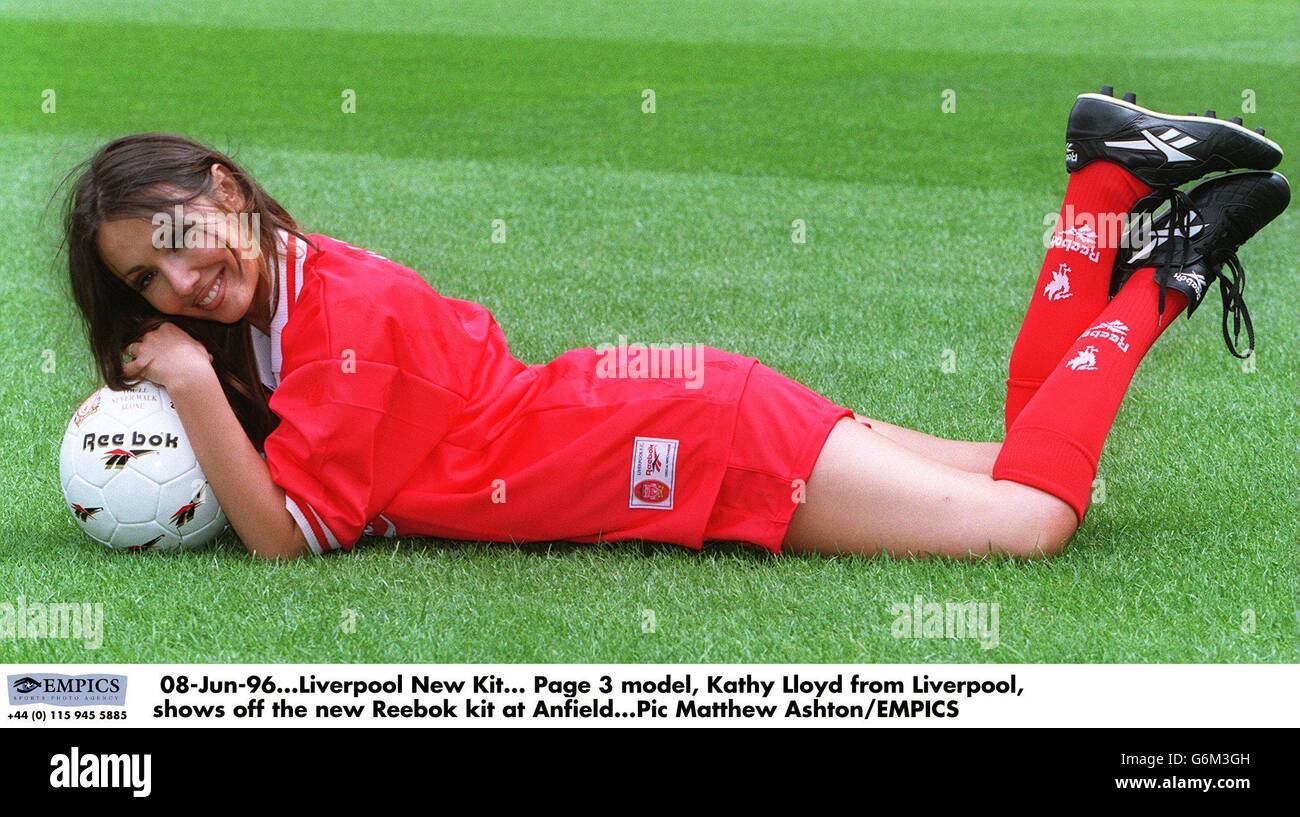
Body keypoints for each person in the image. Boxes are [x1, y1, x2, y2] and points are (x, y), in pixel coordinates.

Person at [60, 87, 1288, 560]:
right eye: (148, 288)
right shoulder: (295, 284)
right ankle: (1101, 189)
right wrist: (201, 369)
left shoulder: (337, 317)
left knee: (1029, 523)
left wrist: (189, 384)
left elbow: (282, 542)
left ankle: (1162, 272)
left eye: (175, 241)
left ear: (221, 189)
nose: (179, 290)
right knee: (1020, 456)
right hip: (666, 415)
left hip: (684, 449)